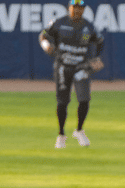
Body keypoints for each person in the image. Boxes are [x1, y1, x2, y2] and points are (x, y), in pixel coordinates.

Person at [39, 0, 105, 149]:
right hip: (63, 66)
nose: (77, 10)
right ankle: (61, 134)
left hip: (81, 67)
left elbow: (100, 41)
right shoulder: (58, 23)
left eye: (80, 8)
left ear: (84, 9)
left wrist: (97, 58)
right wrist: (46, 45)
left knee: (84, 100)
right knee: (63, 102)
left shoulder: (89, 26)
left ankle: (79, 130)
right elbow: (43, 36)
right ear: (69, 8)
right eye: (74, 7)